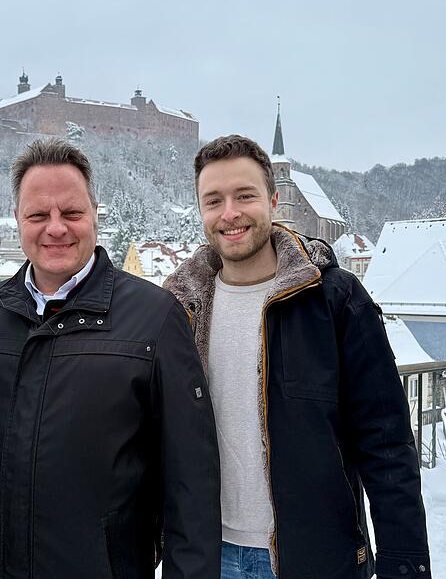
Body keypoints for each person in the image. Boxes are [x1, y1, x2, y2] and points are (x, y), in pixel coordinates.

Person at [0, 138, 221, 579]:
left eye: (72, 213)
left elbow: (190, 477)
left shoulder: (154, 316)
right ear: (18, 221)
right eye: (38, 215)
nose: (56, 228)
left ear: (95, 215)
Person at [163, 134, 431, 579]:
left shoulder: (336, 299)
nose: (229, 214)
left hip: (316, 557)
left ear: (272, 199)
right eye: (213, 201)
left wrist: (405, 562)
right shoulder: (179, 307)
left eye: (244, 196)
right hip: (208, 556)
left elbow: (386, 444)